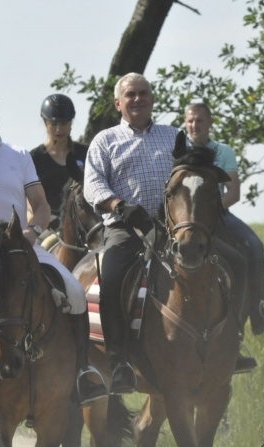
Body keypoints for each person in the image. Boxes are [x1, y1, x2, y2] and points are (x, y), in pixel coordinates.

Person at [0, 87, 106, 407]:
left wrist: (35, 230)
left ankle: (83, 372)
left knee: (74, 292)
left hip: (18, 246)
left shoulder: (19, 156)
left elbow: (40, 204)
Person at [84, 74, 254, 394]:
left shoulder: (174, 136)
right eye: (130, 95)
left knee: (237, 263)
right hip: (126, 227)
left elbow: (192, 172)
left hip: (172, 228)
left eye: (143, 93)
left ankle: (234, 344)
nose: (137, 99)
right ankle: (120, 361)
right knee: (113, 277)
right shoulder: (105, 140)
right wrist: (120, 206)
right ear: (118, 103)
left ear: (152, 99)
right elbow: (92, 185)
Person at [184, 103, 264, 354]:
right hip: (185, 218)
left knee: (254, 245)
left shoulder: (223, 152)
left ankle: (257, 310)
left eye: (199, 121)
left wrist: (210, 211)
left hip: (217, 213)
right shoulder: (177, 150)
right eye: (190, 121)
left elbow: (233, 192)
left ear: (209, 123)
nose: (194, 126)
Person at [30, 93, 88, 245]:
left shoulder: (87, 153)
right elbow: (26, 198)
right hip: (49, 225)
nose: (59, 129)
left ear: (71, 123)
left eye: (64, 123)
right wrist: (44, 219)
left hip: (86, 222)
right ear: (45, 123)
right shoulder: (33, 158)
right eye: (53, 124)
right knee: (42, 248)